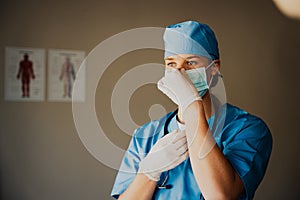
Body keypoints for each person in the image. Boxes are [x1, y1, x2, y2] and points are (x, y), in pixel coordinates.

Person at [111, 20, 272, 200]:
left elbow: (221, 196)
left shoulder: (248, 130)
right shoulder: (145, 135)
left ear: (214, 69)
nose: (180, 72)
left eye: (191, 62)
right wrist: (148, 173)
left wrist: (192, 105)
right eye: (171, 64)